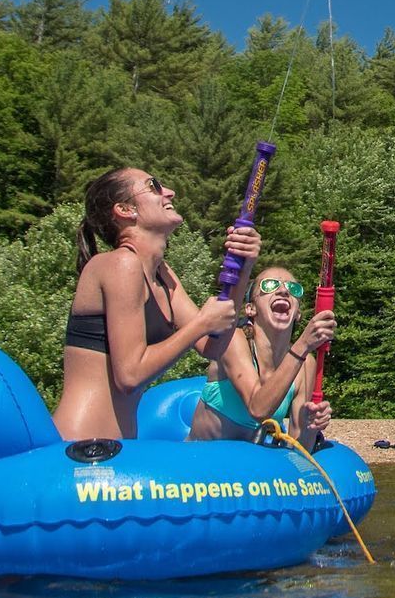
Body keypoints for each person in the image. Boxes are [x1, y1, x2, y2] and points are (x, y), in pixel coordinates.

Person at [54, 168, 257, 440]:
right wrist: (201, 323)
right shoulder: (120, 264)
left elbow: (213, 346)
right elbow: (129, 376)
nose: (169, 191)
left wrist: (242, 269)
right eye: (154, 185)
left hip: (118, 449)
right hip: (78, 448)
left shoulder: (163, 274)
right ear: (125, 209)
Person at [188, 264, 338, 446]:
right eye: (269, 285)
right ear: (251, 308)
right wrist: (303, 345)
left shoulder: (305, 364)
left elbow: (299, 449)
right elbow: (258, 409)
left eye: (293, 288)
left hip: (253, 470)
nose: (283, 290)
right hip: (202, 463)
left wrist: (311, 427)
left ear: (297, 313)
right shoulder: (233, 340)